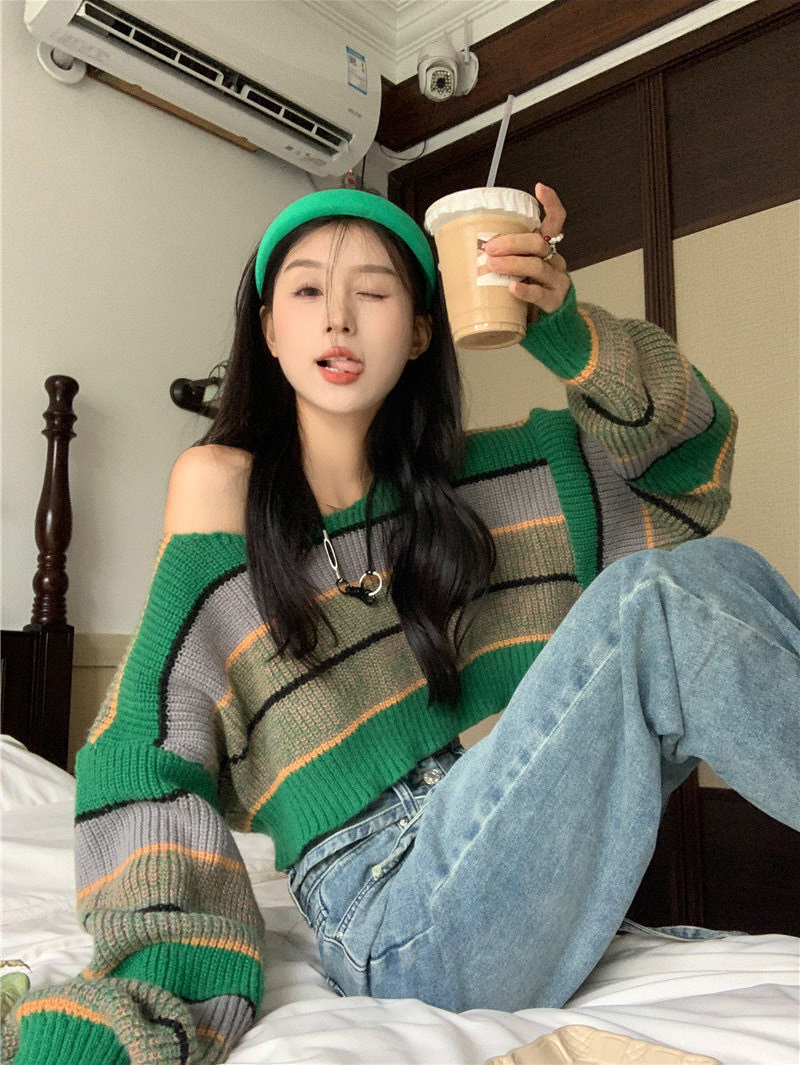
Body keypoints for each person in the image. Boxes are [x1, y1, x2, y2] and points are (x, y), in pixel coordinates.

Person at [5, 186, 799, 1065]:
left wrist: (562, 326)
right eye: (308, 291)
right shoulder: (220, 489)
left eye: (373, 292)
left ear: (421, 331)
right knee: (654, 605)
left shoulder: (457, 499)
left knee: (711, 576)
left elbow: (690, 477)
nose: (337, 318)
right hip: (387, 918)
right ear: (270, 331)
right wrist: (159, 976)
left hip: (472, 849)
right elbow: (142, 752)